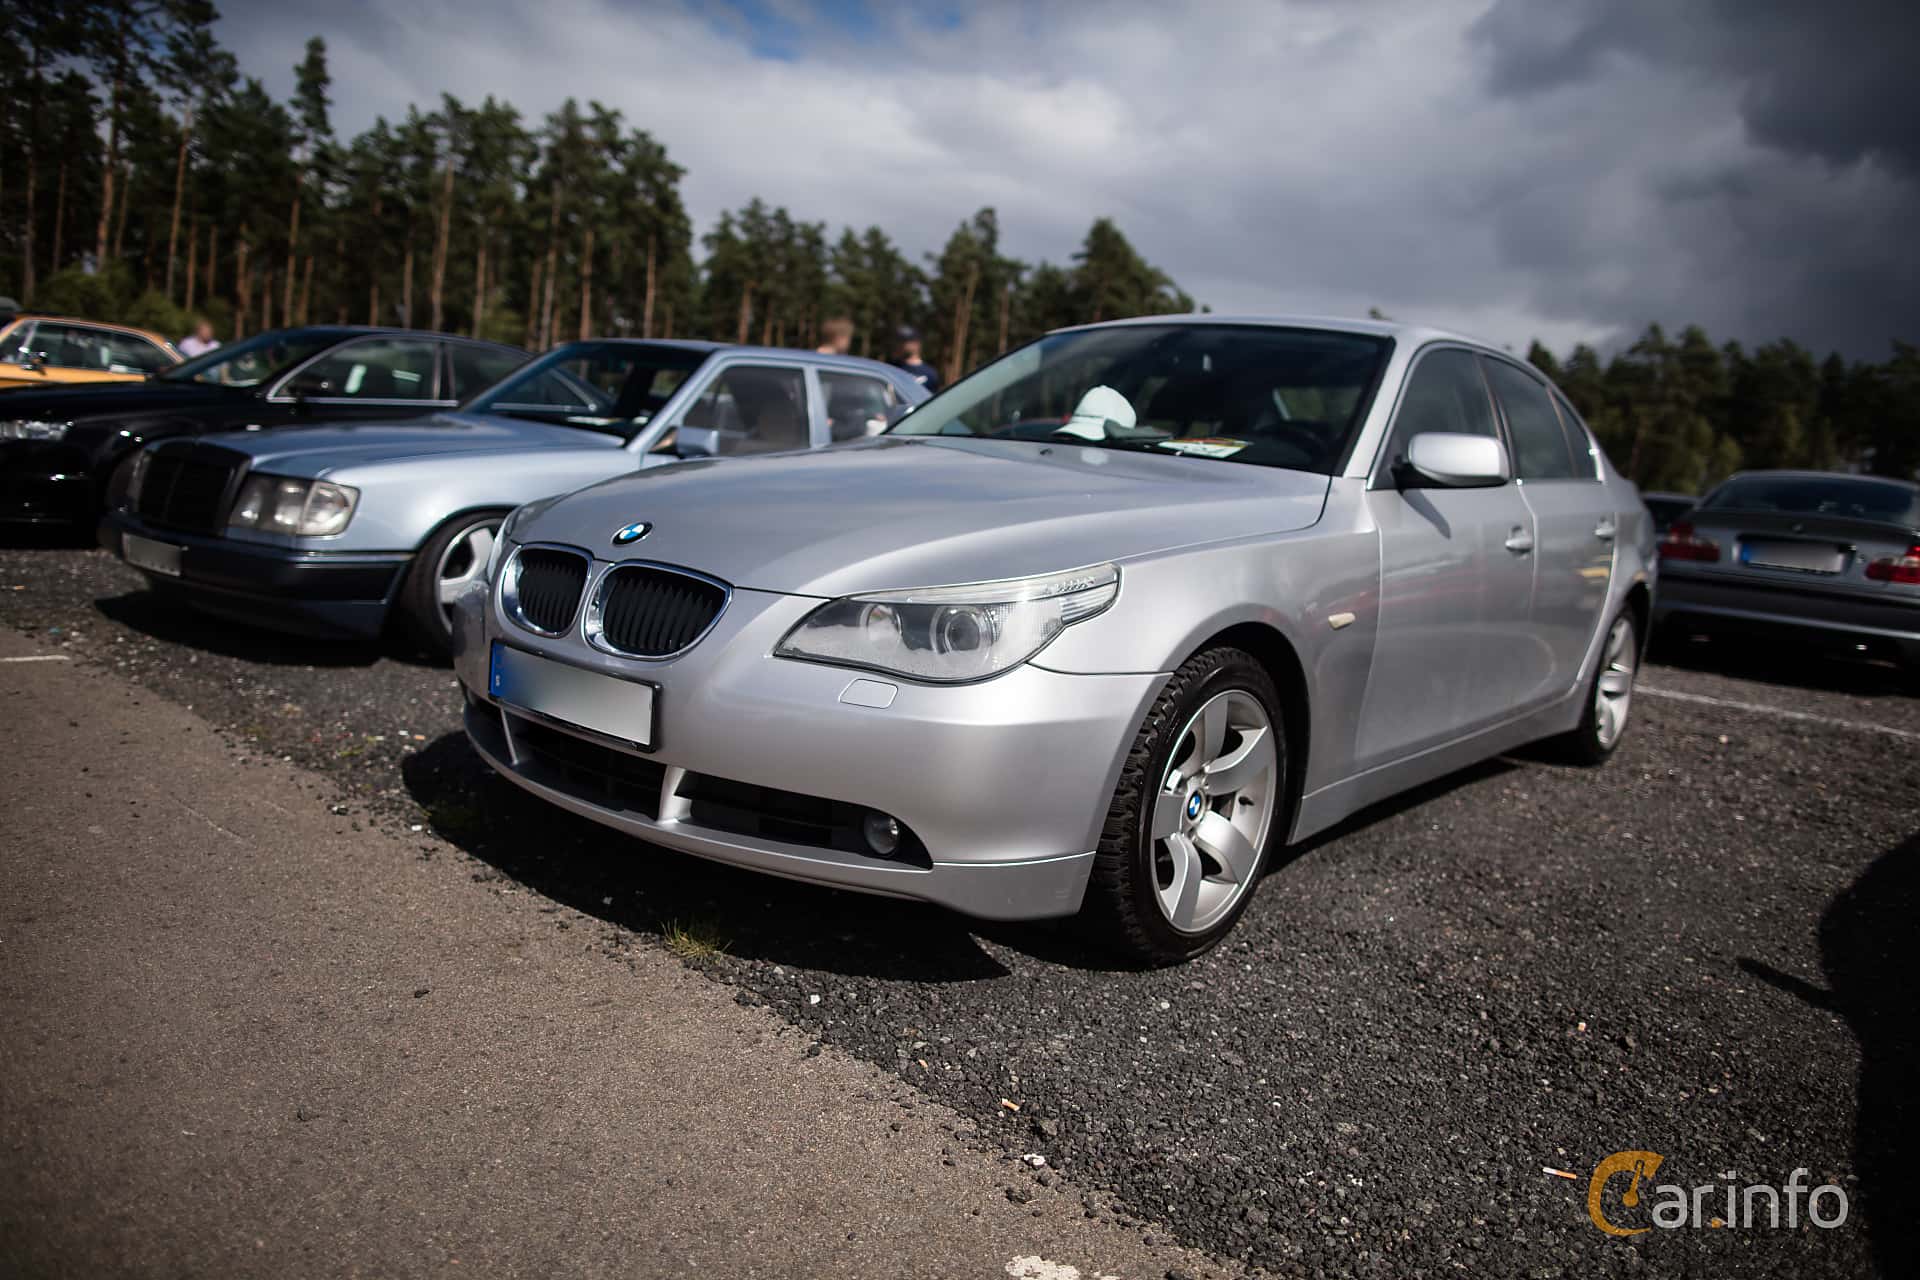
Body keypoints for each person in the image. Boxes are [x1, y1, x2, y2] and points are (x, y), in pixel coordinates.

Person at [893, 326, 940, 392]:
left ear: (917, 344)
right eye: (899, 341)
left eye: (905, 341)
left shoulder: (930, 373)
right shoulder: (892, 368)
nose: (900, 345)